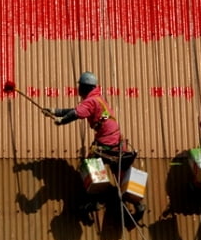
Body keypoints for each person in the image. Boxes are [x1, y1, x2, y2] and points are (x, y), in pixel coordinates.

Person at [43, 72, 145, 224]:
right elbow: (78, 109)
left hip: (106, 142)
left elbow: (76, 113)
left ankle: (94, 202)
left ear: (84, 87)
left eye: (79, 86)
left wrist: (61, 121)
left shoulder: (90, 101)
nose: (78, 88)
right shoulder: (97, 99)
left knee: (91, 167)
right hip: (118, 141)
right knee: (121, 174)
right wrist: (55, 111)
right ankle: (138, 203)